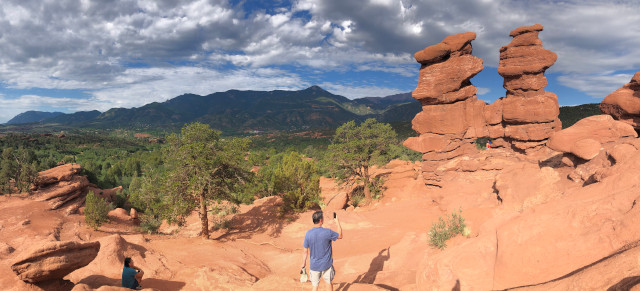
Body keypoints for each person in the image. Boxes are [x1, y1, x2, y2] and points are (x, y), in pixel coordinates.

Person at [301, 211, 343, 291]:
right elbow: (340, 235)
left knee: (315, 286)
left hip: (314, 265)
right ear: (321, 220)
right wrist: (337, 222)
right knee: (328, 283)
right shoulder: (327, 232)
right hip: (326, 264)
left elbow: (305, 251)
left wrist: (303, 264)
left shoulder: (308, 233)